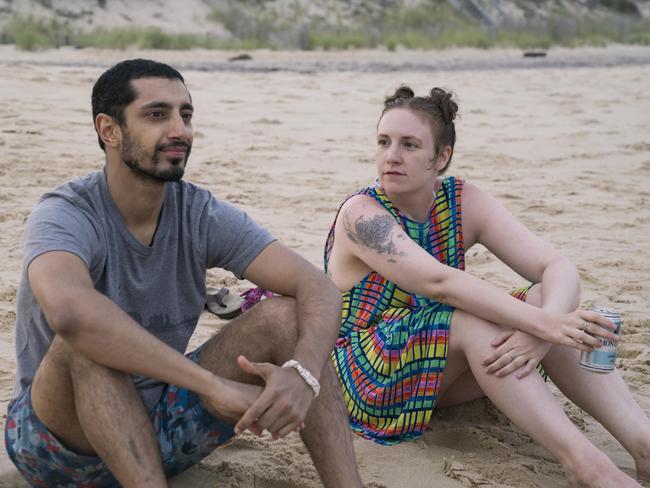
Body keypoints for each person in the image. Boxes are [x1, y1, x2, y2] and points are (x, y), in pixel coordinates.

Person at [4, 59, 363, 488]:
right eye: (157, 115)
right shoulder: (65, 213)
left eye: (185, 114)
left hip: (160, 428)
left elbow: (317, 287)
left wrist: (302, 376)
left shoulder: (198, 211)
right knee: (82, 344)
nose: (180, 130)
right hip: (60, 447)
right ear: (109, 129)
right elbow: (72, 316)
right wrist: (211, 385)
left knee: (287, 315)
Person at [324, 85, 650, 487]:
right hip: (366, 375)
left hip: (441, 367)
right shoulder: (362, 215)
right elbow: (439, 283)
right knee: (472, 319)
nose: (391, 156)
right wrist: (545, 327)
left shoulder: (461, 200)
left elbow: (556, 265)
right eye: (383, 142)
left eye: (409, 144)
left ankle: (644, 445)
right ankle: (588, 467)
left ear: (440, 157)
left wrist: (545, 327)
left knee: (548, 297)